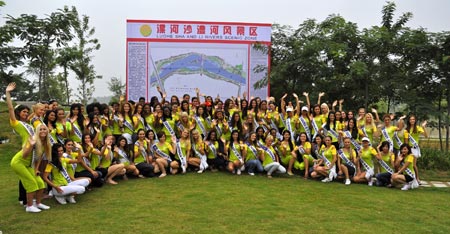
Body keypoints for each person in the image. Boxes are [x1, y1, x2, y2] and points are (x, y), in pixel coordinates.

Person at [10, 123, 51, 212]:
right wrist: (31, 145)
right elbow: (24, 155)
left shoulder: (45, 143)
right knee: (31, 183)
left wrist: (36, 169)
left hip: (28, 165)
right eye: (40, 129)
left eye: (44, 129)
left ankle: (38, 203)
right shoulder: (32, 140)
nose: (43, 131)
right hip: (18, 163)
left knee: (40, 183)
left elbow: (39, 158)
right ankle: (29, 206)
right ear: (37, 131)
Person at [403, 114, 428, 184]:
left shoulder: (418, 128)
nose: (412, 121)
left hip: (415, 149)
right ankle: (410, 178)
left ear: (415, 120)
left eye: (413, 119)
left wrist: (423, 127)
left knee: (414, 165)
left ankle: (417, 178)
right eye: (411, 119)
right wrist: (406, 150)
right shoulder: (406, 130)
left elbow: (426, 136)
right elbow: (406, 141)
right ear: (409, 121)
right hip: (408, 149)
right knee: (408, 164)